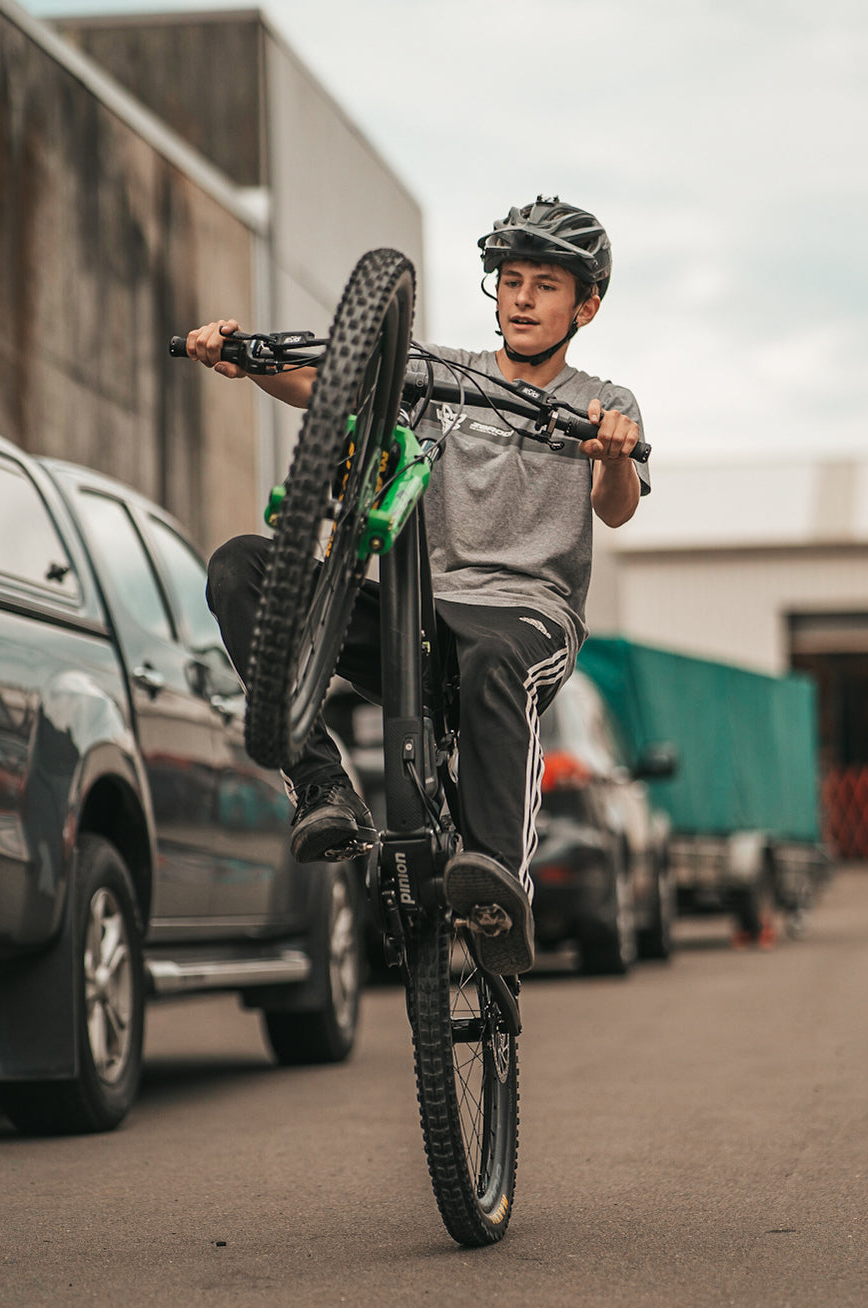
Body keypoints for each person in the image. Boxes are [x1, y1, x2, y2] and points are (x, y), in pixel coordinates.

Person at [188, 196, 651, 976]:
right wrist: (247, 360)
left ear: (586, 306)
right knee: (240, 567)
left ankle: (498, 882)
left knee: (495, 661)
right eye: (511, 280)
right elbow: (324, 381)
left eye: (545, 285)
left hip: (526, 618)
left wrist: (610, 454)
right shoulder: (439, 372)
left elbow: (617, 506)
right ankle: (323, 788)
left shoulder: (604, 403)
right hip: (420, 615)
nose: (523, 298)